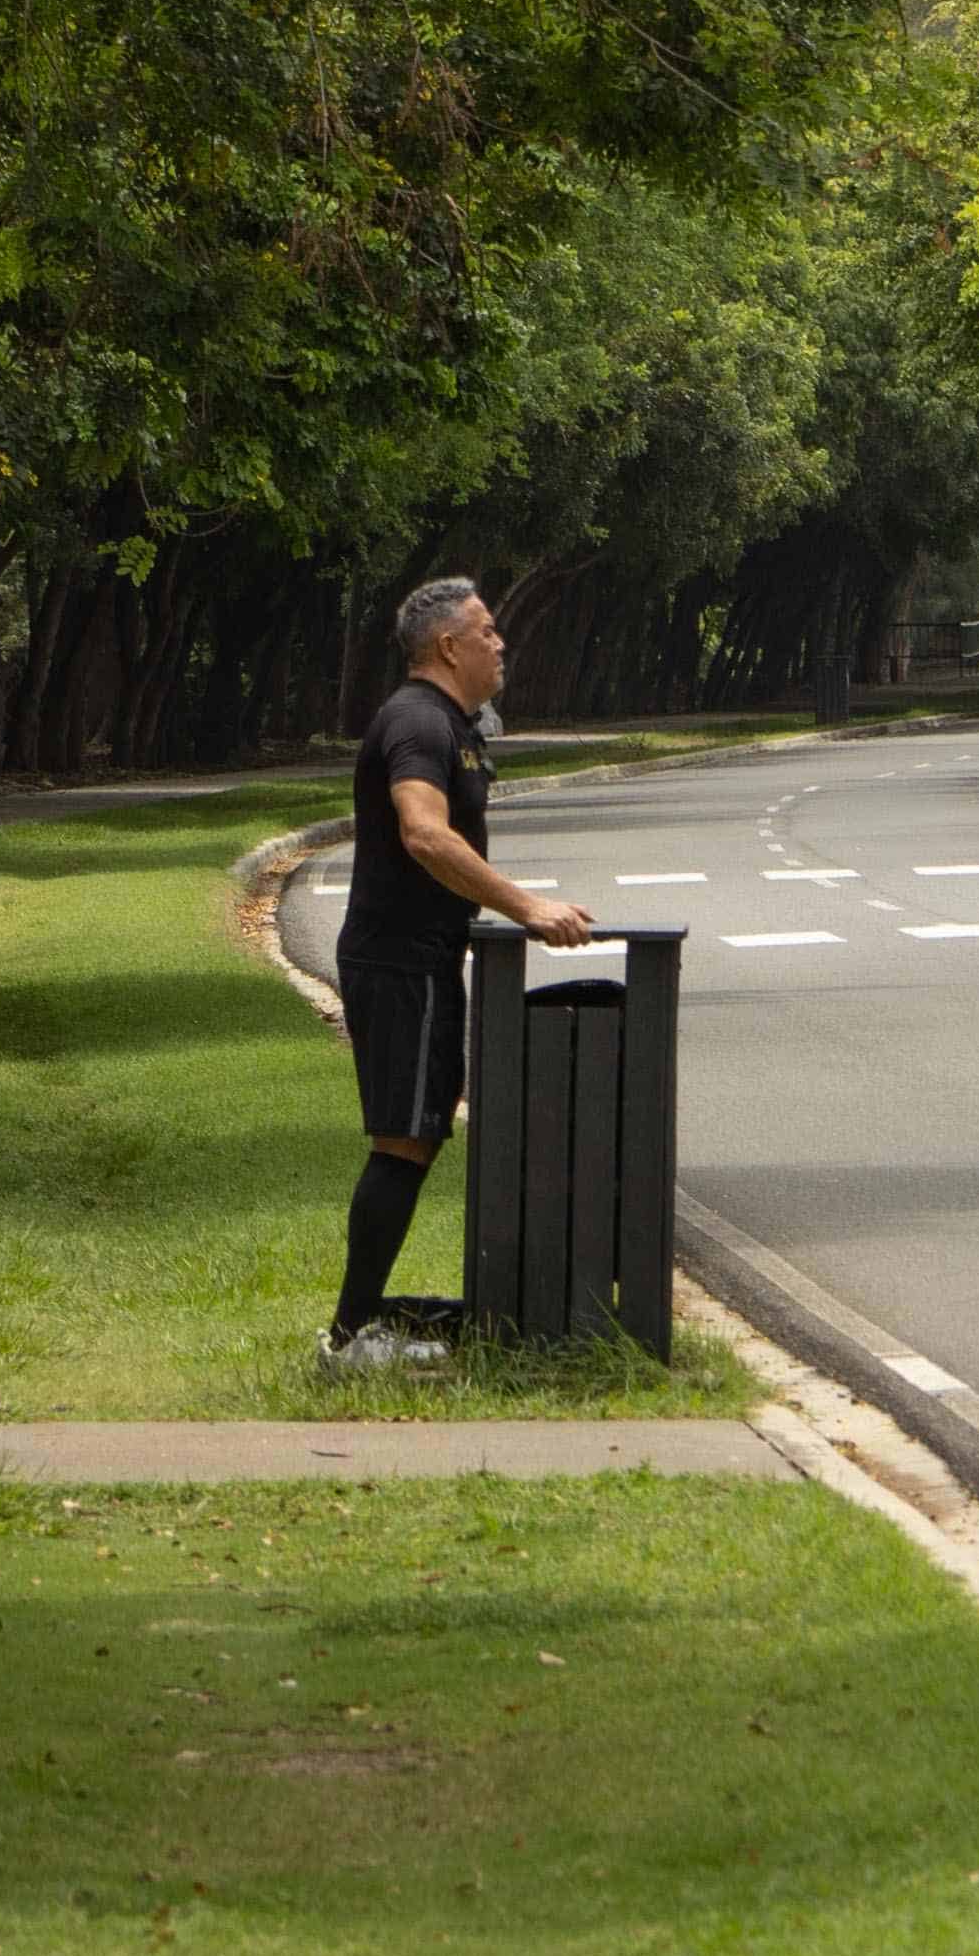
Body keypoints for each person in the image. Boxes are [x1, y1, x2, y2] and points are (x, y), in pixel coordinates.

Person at [322, 576, 597, 1374]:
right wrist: (524, 907)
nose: (500, 643)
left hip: (427, 957)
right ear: (448, 646)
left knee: (419, 1135)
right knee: (403, 1141)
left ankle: (368, 1320)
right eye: (487, 631)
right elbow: (424, 835)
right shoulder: (416, 722)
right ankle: (349, 1339)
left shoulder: (454, 725)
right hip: (396, 959)